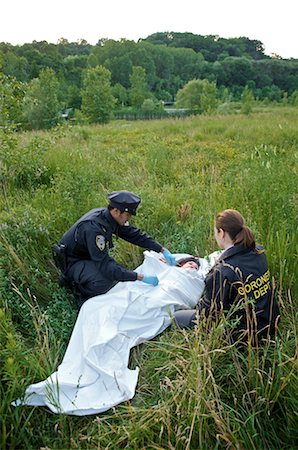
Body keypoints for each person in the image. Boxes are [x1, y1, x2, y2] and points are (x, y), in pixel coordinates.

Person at [53, 190, 176, 307]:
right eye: (127, 215)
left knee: (115, 271)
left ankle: (82, 276)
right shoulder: (94, 229)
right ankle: (80, 293)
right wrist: (140, 277)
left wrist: (162, 250)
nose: (129, 219)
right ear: (117, 211)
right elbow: (106, 267)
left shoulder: (108, 218)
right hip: (72, 262)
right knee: (104, 280)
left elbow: (134, 234)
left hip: (85, 256)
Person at [174, 209, 280, 342]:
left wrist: (199, 303)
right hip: (270, 321)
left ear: (221, 233)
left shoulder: (221, 272)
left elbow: (209, 314)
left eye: (215, 232)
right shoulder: (258, 250)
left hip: (244, 336)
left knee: (177, 317)